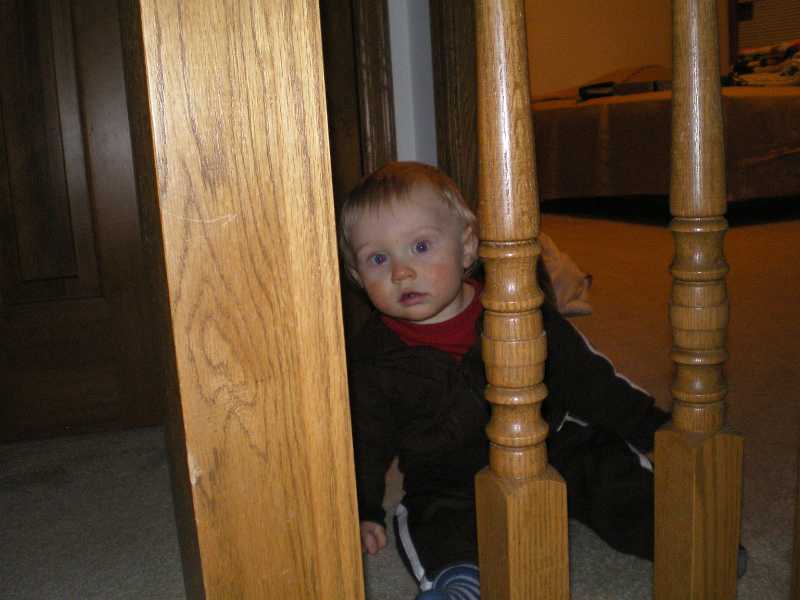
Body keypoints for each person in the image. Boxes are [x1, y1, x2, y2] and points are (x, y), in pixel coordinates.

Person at [339, 161, 671, 600]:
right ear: (358, 276)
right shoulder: (372, 360)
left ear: (467, 247)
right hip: (447, 479)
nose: (401, 272)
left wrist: (652, 426)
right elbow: (365, 441)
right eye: (378, 259)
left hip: (551, 446)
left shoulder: (516, 308)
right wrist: (363, 509)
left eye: (420, 246)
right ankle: (460, 583)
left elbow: (588, 376)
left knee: (609, 468)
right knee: (429, 518)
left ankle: (681, 535)